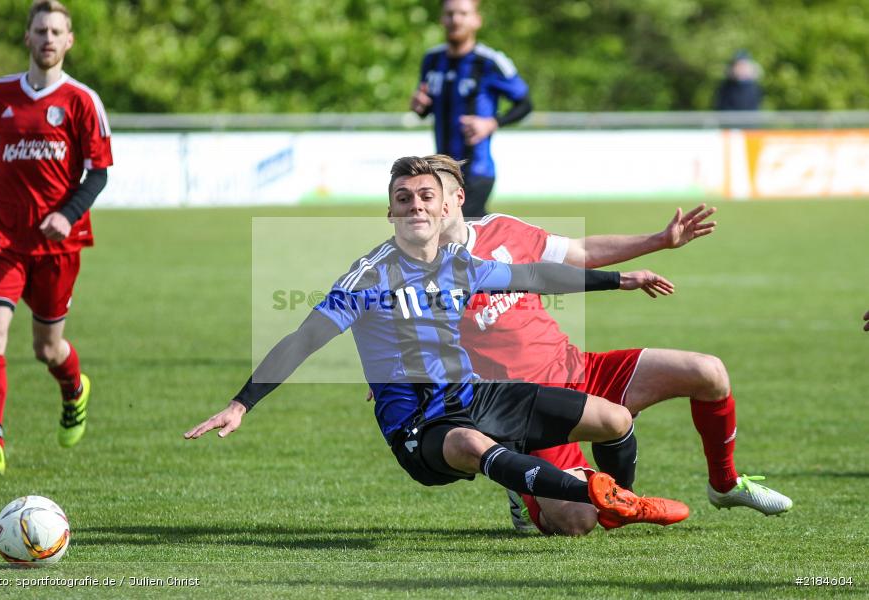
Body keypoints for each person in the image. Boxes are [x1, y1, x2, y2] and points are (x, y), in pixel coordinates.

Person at [186, 156, 689, 529]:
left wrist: (619, 280)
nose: (416, 205)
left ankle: (616, 503)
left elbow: (535, 275)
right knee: (471, 444)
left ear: (445, 205)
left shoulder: (458, 264)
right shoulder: (368, 276)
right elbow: (304, 340)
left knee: (613, 418)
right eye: (403, 198)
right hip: (419, 424)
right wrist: (241, 403)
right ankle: (608, 497)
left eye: (425, 196)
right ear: (390, 212)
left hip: (474, 397)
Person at [424, 154, 792, 535]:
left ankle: (725, 484)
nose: (422, 208)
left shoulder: (503, 230)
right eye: (413, 200)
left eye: (432, 197)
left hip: (577, 369)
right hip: (529, 408)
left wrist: (660, 240)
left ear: (457, 198)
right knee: (578, 522)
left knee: (708, 372)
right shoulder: (414, 275)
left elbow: (580, 252)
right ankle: (523, 490)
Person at [0, 0, 112, 475]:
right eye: (40, 30)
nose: (48, 38)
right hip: (0, 238)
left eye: (56, 31)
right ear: (27, 37)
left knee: (47, 348)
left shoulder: (82, 100)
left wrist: (68, 215)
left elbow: (98, 173)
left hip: (57, 246)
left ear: (69, 40)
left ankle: (74, 389)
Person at [410, 0, 531, 218]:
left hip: (476, 170)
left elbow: (525, 104)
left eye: (463, 14)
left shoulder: (489, 62)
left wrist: (492, 123)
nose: (456, 19)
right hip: (441, 170)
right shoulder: (432, 60)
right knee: (460, 229)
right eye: (450, 14)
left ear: (477, 20)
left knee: (451, 227)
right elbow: (426, 108)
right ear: (442, 19)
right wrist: (420, 106)